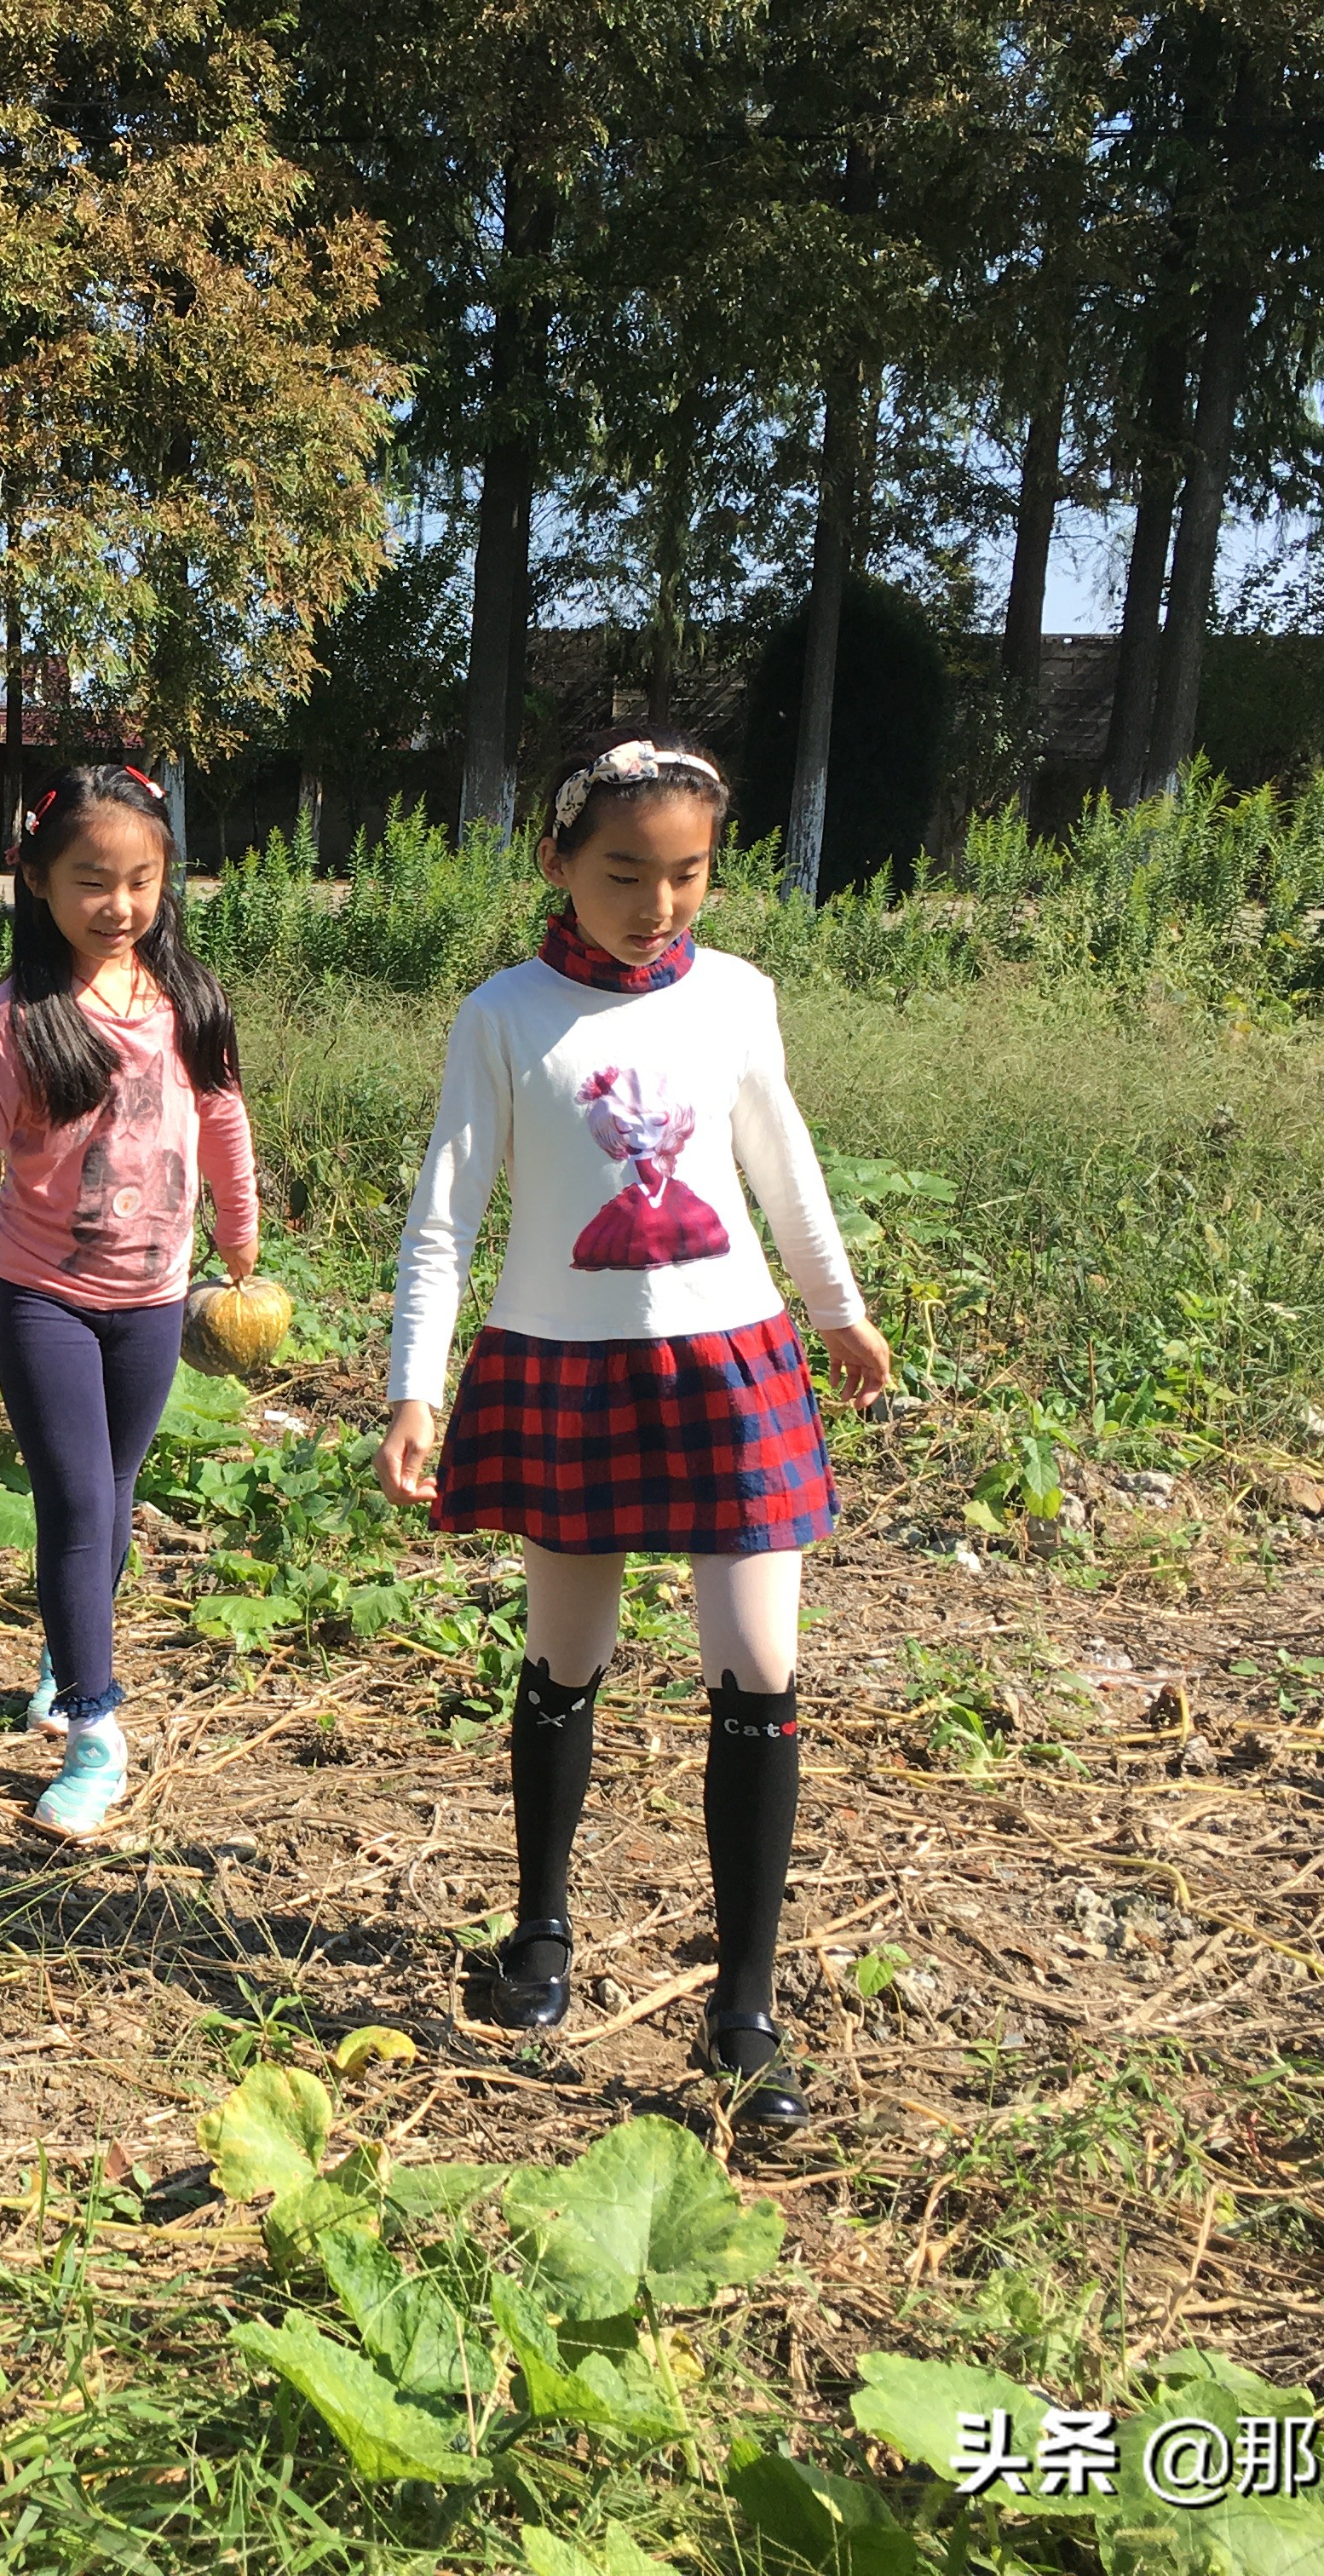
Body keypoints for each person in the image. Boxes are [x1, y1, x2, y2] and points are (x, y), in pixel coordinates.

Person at [375, 728, 892, 2128]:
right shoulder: (503, 1012)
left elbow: (782, 1159)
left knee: (759, 1664)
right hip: (565, 1363)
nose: (654, 901)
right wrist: (412, 1382)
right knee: (566, 1649)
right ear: (554, 860)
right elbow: (444, 1211)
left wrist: (835, 1306)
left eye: (685, 874)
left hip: (732, 1362)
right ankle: (540, 1931)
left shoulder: (734, 997)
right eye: (621, 872)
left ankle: (743, 2005)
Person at [0, 762, 261, 1841]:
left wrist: (240, 1230)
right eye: (89, 882)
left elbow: (222, 1122)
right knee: (75, 1502)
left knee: (114, 1499)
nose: (117, 906)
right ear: (34, 881)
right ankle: (95, 1726)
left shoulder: (188, 1003)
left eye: (140, 880)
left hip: (156, 1298)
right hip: (41, 1298)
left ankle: (67, 1654)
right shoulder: (20, 1018)